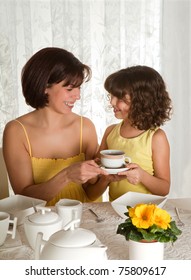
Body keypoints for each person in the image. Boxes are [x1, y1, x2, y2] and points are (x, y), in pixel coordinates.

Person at [2, 47, 107, 206]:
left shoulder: (85, 127)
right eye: (70, 89)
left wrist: (106, 179)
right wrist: (66, 176)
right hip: (42, 225)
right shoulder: (16, 131)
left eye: (79, 88)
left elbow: (90, 193)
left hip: (85, 221)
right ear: (44, 86)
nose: (77, 96)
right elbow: (24, 199)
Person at [96, 65, 172, 201]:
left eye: (119, 98)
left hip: (145, 214)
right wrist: (102, 177)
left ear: (141, 100)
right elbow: (96, 186)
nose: (112, 102)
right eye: (111, 96)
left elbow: (164, 189)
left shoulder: (156, 137)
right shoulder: (110, 132)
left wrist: (142, 176)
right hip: (115, 211)